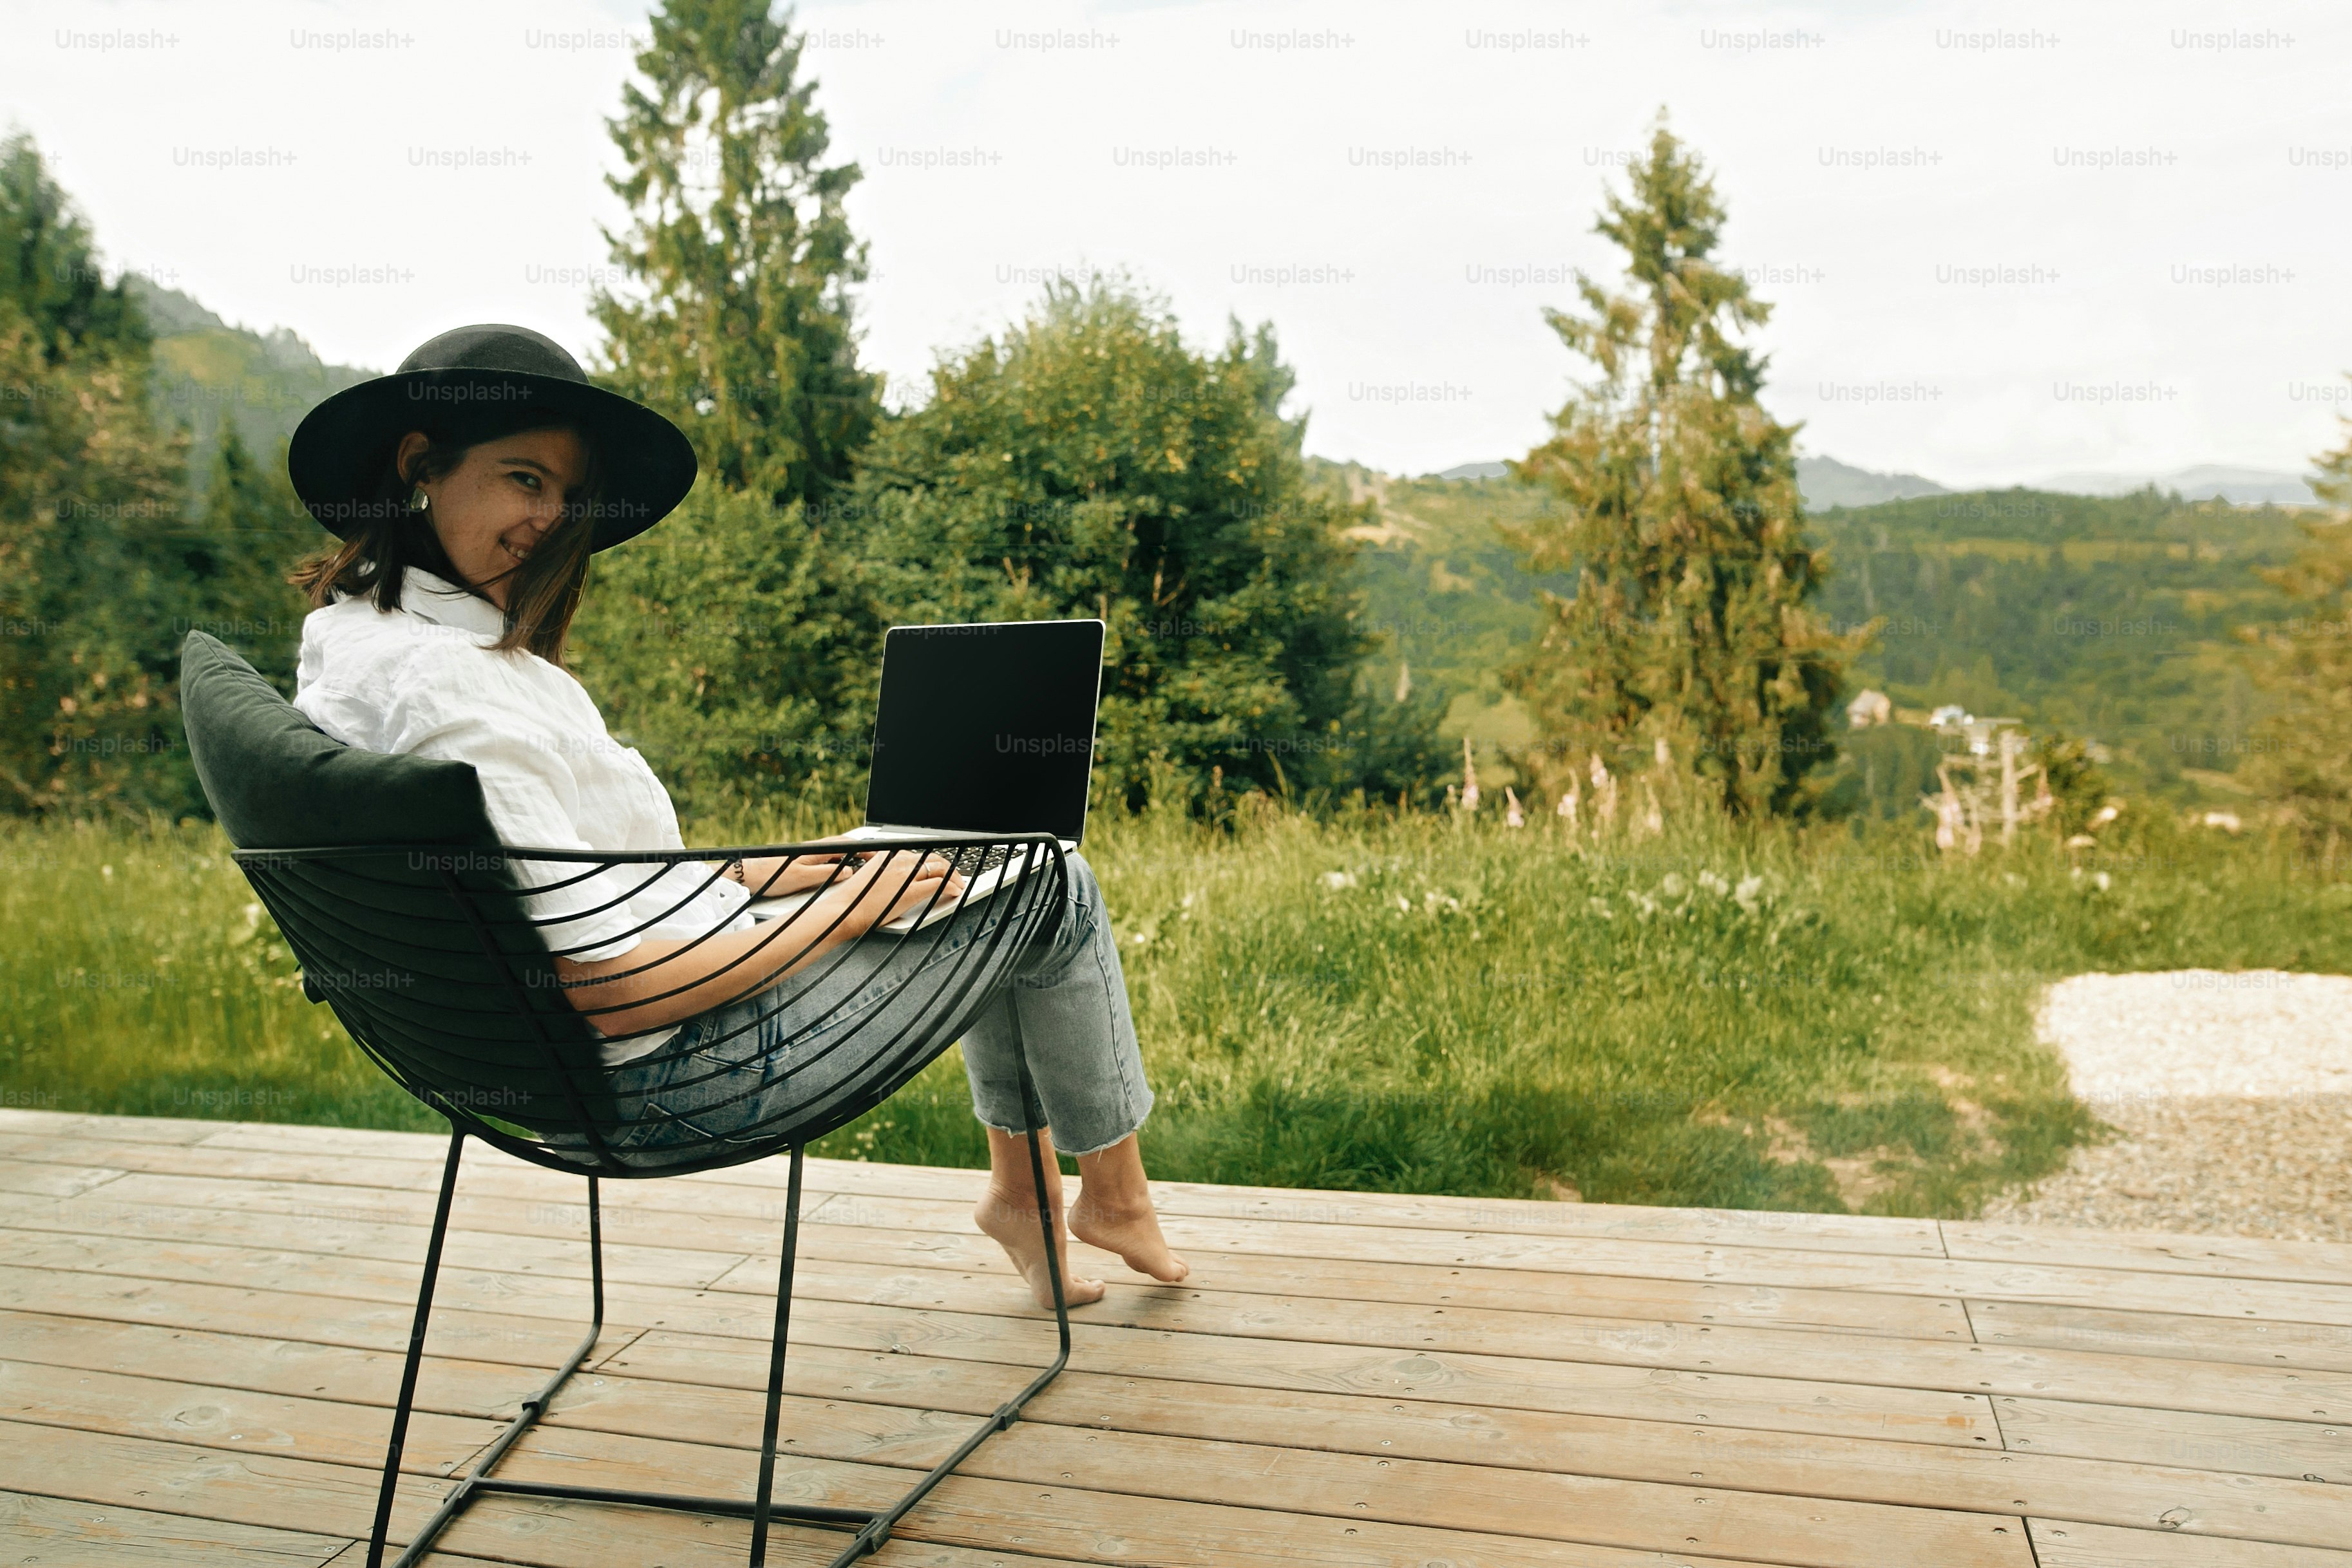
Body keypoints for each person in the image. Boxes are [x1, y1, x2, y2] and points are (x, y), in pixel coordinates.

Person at [281, 323, 1184, 1307]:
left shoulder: (357, 643)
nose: (551, 518)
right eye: (525, 478)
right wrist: (842, 913)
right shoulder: (447, 692)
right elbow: (608, 993)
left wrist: (755, 876)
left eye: (568, 495)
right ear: (420, 464)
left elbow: (568, 886)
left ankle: (1027, 1191)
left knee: (964, 863)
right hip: (672, 1078)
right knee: (1050, 880)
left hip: (579, 1050)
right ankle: (1112, 1195)